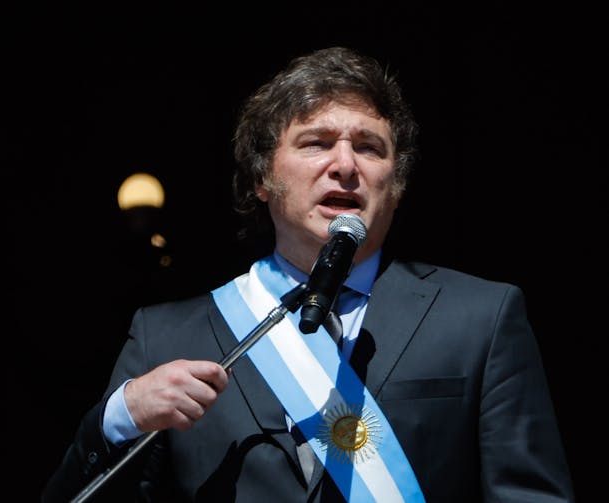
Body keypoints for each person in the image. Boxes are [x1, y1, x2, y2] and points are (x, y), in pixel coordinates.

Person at [42, 46, 574, 502]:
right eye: (316, 143)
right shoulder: (165, 335)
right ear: (261, 179)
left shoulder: (482, 317)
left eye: (369, 147)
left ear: (397, 185)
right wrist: (121, 417)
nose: (345, 164)